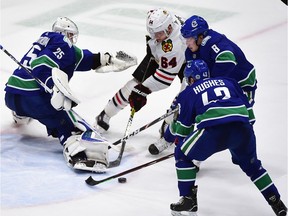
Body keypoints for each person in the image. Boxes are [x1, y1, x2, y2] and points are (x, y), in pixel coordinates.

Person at [4, 17, 137, 173]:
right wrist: (53, 87)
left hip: (12, 96)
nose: (72, 39)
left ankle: (20, 115)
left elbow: (83, 59)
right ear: (64, 33)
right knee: (70, 125)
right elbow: (41, 66)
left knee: (34, 105)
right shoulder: (61, 42)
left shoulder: (48, 42)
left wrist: (108, 59)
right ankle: (78, 152)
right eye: (71, 35)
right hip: (34, 99)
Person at [169, 59, 287, 216]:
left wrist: (175, 134)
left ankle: (188, 199)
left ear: (191, 79)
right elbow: (250, 116)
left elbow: (182, 132)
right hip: (243, 130)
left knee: (182, 154)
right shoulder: (229, 82)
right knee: (253, 167)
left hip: (213, 133)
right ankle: (276, 203)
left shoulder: (188, 93)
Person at [149, 14, 258, 156]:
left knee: (233, 118)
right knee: (188, 106)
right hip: (219, 84)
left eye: (189, 38)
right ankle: (168, 139)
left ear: (200, 36)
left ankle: (201, 155)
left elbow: (228, 59)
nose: (186, 42)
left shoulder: (215, 42)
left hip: (241, 85)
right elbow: (190, 80)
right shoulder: (191, 52)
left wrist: (207, 85)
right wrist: (182, 99)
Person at [94, 8, 186, 133]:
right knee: (135, 83)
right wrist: (139, 88)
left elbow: (164, 80)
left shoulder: (173, 47)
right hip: (160, 54)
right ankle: (106, 113)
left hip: (189, 61)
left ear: (169, 28)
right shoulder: (164, 24)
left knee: (187, 93)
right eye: (152, 32)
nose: (154, 36)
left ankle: (169, 126)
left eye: (158, 33)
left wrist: (142, 90)